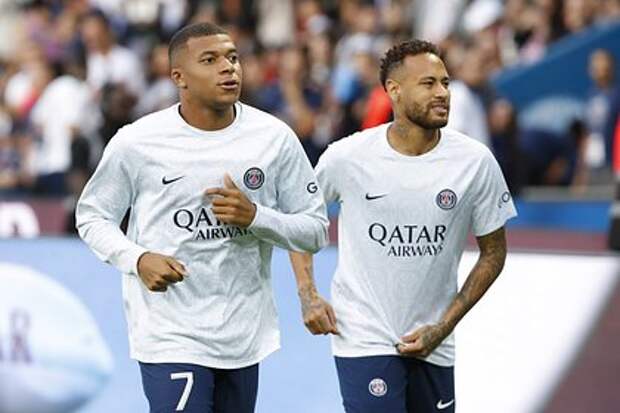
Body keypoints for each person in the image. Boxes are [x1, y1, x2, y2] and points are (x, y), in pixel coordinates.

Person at [75, 22, 329, 413]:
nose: (228, 68)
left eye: (233, 58)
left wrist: (256, 217)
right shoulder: (138, 141)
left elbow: (314, 230)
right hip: (170, 333)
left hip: (242, 336)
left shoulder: (273, 137)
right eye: (209, 60)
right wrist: (138, 259)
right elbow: (92, 216)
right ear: (179, 77)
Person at [290, 39, 517, 413]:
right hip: (364, 336)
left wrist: (443, 327)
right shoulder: (347, 157)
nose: (442, 93)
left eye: (445, 83)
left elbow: (494, 254)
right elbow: (301, 222)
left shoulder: (475, 162)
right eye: (428, 83)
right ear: (394, 90)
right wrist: (308, 294)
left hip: (435, 343)